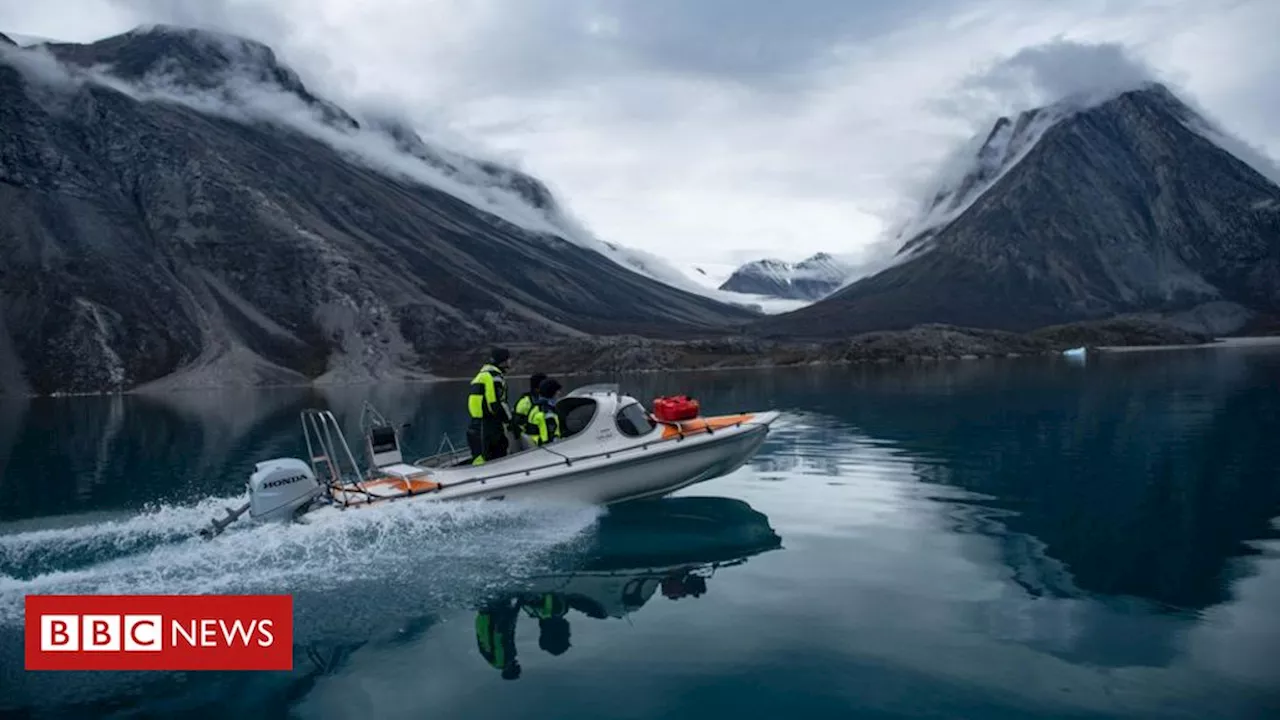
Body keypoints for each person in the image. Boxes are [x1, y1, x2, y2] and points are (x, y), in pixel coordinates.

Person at [467, 347, 513, 465]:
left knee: (481, 455)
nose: (510, 361)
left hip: (478, 423)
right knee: (496, 456)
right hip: (489, 425)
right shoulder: (494, 377)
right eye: (508, 359)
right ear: (502, 360)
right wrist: (509, 421)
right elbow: (494, 404)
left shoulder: (482, 375)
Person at [475, 596, 521, 680]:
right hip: (486, 619)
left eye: (516, 669)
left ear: (510, 670)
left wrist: (509, 615)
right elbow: (509, 636)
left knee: (498, 595)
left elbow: (499, 639)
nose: (518, 666)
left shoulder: (503, 661)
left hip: (491, 619)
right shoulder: (504, 659)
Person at [511, 372, 547, 451]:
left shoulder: (547, 401)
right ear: (537, 388)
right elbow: (517, 426)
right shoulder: (525, 402)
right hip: (531, 444)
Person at [524, 378, 563, 446]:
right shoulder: (548, 414)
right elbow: (551, 439)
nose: (559, 393)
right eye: (557, 391)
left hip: (535, 446)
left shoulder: (535, 407)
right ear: (552, 393)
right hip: (546, 449)